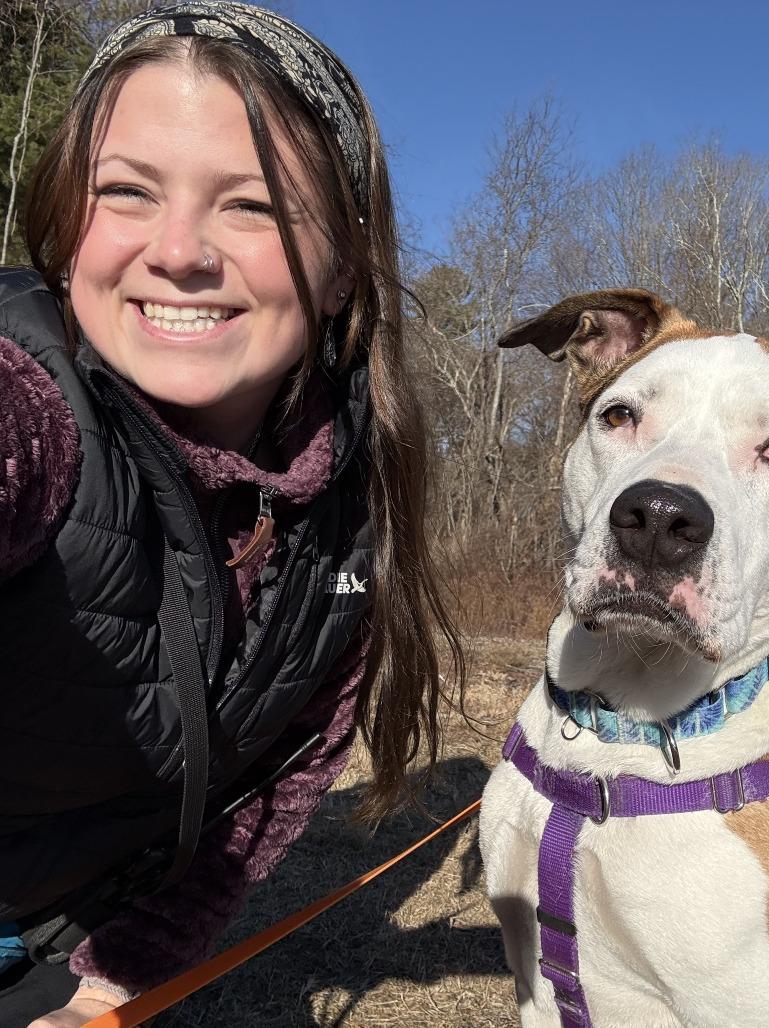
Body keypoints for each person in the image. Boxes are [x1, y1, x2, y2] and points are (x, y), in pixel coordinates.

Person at [0, 3, 461, 1024]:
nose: (177, 250)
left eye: (249, 206)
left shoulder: (347, 510)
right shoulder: (29, 401)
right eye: (124, 191)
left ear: (344, 263)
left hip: (75, 955)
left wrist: (116, 982)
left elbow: (270, 789)